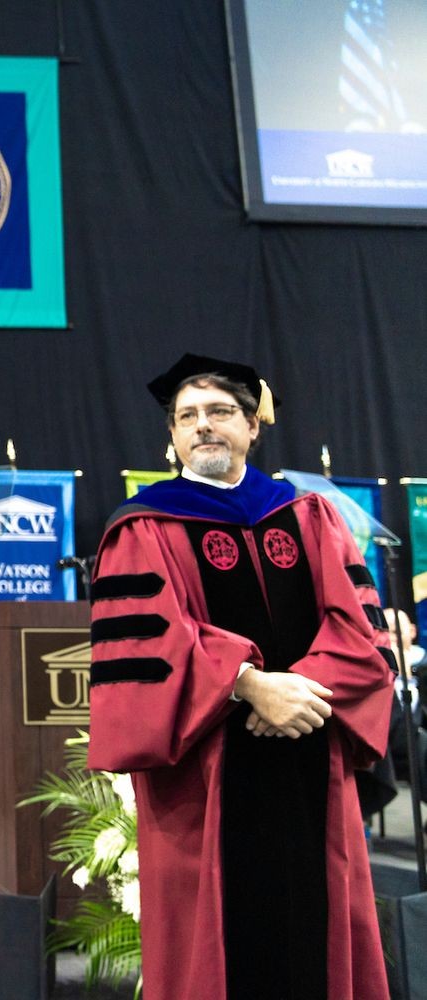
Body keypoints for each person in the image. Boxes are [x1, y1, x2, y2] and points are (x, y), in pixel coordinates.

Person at [87, 353, 395, 1000]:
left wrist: (301, 688)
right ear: (170, 437)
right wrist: (250, 684)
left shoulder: (310, 515)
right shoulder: (143, 527)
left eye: (220, 412)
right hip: (203, 783)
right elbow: (150, 644)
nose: (203, 426)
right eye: (187, 416)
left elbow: (361, 631)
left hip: (312, 753)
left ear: (253, 426)